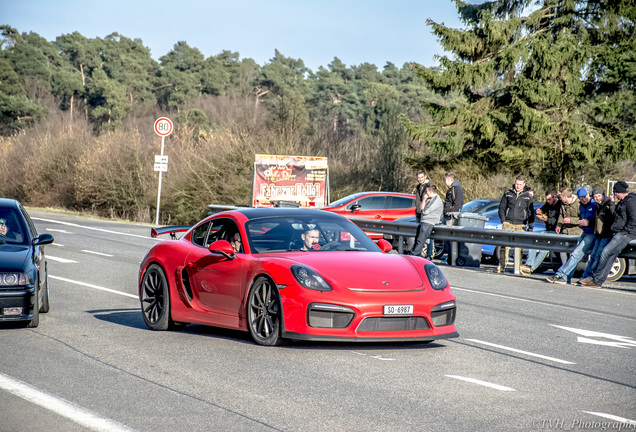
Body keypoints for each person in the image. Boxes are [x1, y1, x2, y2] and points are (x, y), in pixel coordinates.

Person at [581, 181, 636, 288]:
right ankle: (597, 281)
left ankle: (594, 278)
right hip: (618, 232)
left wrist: (625, 231)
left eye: (615, 192)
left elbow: (634, 219)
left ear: (619, 192)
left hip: (625, 234)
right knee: (610, 257)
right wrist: (612, 204)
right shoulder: (622, 202)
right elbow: (615, 216)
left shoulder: (631, 201)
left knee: (605, 253)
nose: (614, 194)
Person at [546, 188, 597, 284]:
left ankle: (561, 274)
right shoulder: (582, 206)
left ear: (588, 194)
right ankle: (566, 278)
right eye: (581, 198)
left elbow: (598, 221)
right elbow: (580, 218)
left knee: (575, 255)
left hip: (591, 234)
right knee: (574, 256)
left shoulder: (594, 205)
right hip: (584, 232)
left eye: (585, 197)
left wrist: (588, 222)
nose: (584, 200)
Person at [496, 175, 534, 273]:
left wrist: (530, 225)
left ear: (524, 184)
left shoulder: (527, 196)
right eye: (517, 184)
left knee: (519, 247)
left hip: (521, 225)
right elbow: (502, 208)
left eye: (520, 184)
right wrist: (503, 220)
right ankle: (501, 266)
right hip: (508, 223)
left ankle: (517, 268)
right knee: (504, 246)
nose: (518, 186)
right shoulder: (508, 193)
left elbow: (530, 212)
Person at [521, 189, 562, 275]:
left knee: (544, 250)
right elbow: (543, 209)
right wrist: (539, 211)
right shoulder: (548, 204)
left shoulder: (560, 205)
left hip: (555, 231)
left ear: (554, 197)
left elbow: (558, 221)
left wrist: (547, 219)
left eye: (549, 199)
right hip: (548, 230)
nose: (547, 201)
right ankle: (529, 264)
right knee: (534, 239)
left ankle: (531, 267)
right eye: (546, 199)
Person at [578, 187, 615, 281]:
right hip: (598, 235)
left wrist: (613, 203)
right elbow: (595, 221)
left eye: (599, 196)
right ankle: (585, 277)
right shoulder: (598, 206)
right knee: (593, 256)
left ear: (602, 195)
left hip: (606, 235)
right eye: (595, 197)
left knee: (597, 256)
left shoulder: (608, 204)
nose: (597, 198)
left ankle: (590, 277)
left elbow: (613, 217)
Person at [409, 184, 443, 257]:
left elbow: (425, 212)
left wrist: (423, 211)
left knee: (420, 241)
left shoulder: (436, 200)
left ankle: (414, 255)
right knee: (417, 240)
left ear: (430, 191)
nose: (425, 193)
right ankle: (412, 254)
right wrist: (424, 199)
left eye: (427, 191)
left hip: (428, 222)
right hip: (423, 221)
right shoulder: (429, 199)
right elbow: (422, 208)